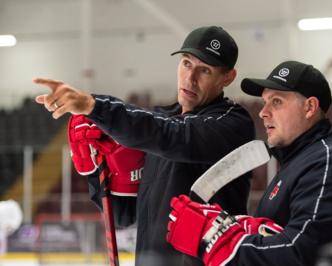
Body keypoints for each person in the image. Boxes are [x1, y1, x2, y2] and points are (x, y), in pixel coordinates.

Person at [34, 26, 255, 265]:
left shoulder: (233, 123)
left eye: (205, 70)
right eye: (186, 63)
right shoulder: (162, 122)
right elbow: (123, 216)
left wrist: (94, 106)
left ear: (228, 77)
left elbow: (174, 136)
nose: (190, 78)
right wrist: (95, 172)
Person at [166, 60, 332, 266]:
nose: (263, 112)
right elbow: (282, 237)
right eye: (265, 101)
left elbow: (301, 253)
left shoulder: (329, 163)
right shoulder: (298, 162)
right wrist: (242, 227)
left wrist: (218, 243)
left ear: (310, 107)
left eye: (276, 101)